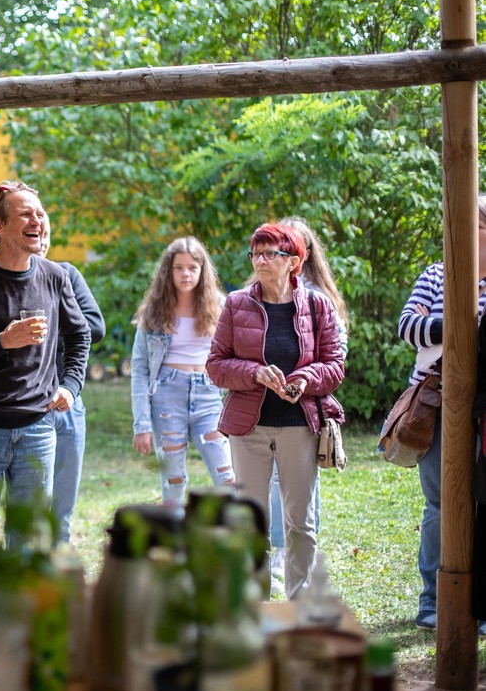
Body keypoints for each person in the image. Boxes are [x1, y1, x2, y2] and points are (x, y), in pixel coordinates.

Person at [0, 180, 90, 546]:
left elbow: (80, 336)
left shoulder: (55, 277)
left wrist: (70, 386)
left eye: (40, 214)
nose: (37, 220)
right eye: (26, 214)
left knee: (28, 542)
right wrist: (0, 342)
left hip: (39, 428)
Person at [207, 222, 344, 599]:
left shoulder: (317, 305)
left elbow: (335, 364)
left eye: (271, 253)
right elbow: (216, 365)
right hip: (248, 428)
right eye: (256, 254)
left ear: (294, 262)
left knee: (300, 522)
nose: (261, 261)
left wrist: (304, 379)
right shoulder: (236, 304)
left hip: (300, 426)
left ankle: (299, 603)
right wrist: (255, 373)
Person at [398, 196, 486, 631]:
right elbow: (406, 326)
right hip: (435, 406)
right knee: (439, 505)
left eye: (474, 227)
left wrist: (441, 331)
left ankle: (480, 602)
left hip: (481, 411)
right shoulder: (436, 275)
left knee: (481, 504)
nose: (463, 235)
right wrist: (462, 328)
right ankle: (432, 602)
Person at [265, 216, 350, 593]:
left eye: (289, 245)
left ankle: (297, 567)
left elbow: (338, 354)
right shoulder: (258, 292)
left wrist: (303, 380)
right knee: (272, 486)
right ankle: (277, 558)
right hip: (264, 410)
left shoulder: (318, 298)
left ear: (303, 253)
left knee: (302, 493)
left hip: (306, 408)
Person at [130, 236, 235, 511]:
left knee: (227, 477)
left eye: (192, 267)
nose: (186, 273)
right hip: (167, 397)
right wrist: (141, 426)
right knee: (173, 480)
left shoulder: (221, 306)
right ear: (168, 270)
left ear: (202, 271)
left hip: (209, 396)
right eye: (178, 267)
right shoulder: (153, 311)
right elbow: (139, 368)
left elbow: (235, 356)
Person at [36, 214, 105, 543]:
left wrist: (47, 331)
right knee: (33, 507)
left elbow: (95, 326)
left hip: (68, 400)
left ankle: (60, 564)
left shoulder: (66, 274)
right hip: (26, 406)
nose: (42, 239)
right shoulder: (0, 280)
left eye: (47, 233)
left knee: (62, 507)